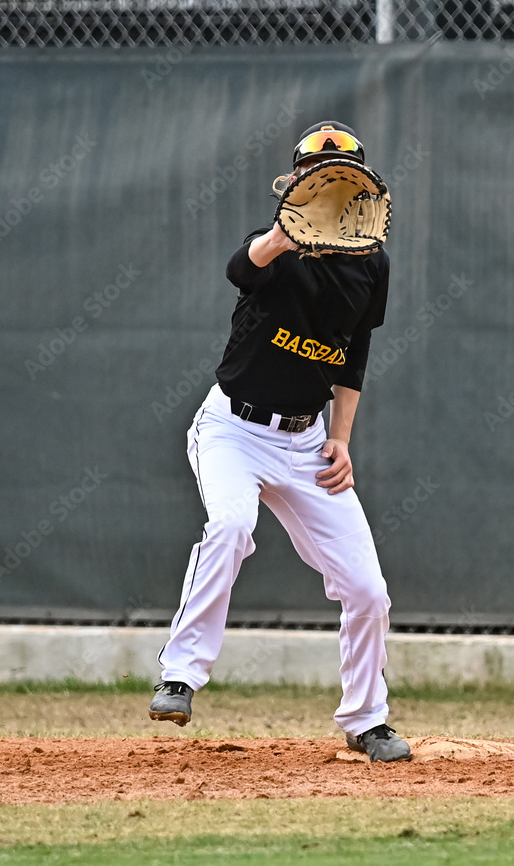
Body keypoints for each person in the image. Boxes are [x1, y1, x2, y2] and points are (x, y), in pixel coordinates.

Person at [149, 120, 410, 762]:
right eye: (314, 175)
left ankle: (367, 721)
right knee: (231, 527)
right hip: (232, 431)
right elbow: (241, 266)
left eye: (339, 175)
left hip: (306, 443)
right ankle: (180, 675)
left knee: (368, 590)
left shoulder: (371, 262)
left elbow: (353, 351)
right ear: (294, 182)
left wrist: (340, 439)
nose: (327, 186)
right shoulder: (275, 246)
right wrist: (282, 235)